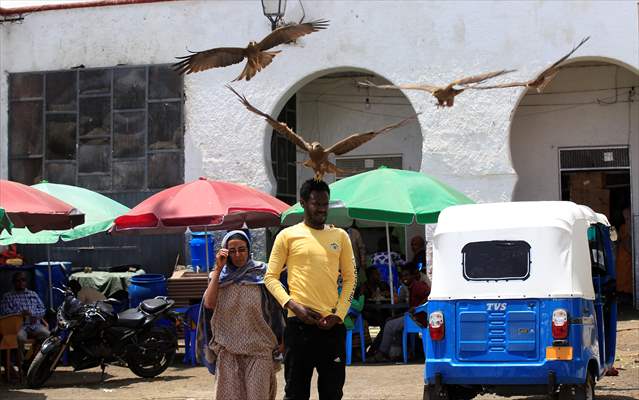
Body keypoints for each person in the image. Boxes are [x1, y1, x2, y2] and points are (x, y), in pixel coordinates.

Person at [265, 179, 356, 400]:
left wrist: (339, 315)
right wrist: (293, 306)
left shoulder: (340, 236)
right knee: (295, 394)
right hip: (298, 328)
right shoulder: (287, 236)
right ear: (303, 203)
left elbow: (351, 279)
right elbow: (270, 278)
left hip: (332, 328)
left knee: (332, 393)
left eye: (326, 204)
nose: (322, 209)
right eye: (316, 204)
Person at [201, 230, 285, 400]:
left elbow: (280, 306)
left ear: (249, 249)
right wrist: (218, 268)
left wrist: (283, 338)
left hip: (259, 349)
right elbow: (209, 304)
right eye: (232, 251)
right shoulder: (218, 278)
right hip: (228, 352)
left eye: (242, 249)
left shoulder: (263, 274)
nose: (238, 255)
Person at [370, 265, 430, 362]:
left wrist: (419, 307)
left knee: (389, 325)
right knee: (390, 320)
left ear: (412, 276)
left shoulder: (418, 286)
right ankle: (396, 353)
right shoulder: (410, 287)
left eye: (407, 275)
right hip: (413, 316)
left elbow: (430, 295)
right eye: (402, 276)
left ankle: (381, 353)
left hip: (419, 318)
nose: (404, 278)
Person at [0, 272, 50, 354]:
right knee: (21, 338)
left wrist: (33, 314)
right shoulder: (8, 296)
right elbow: (4, 313)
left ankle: (35, 359)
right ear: (13, 282)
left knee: (48, 336)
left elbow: (42, 309)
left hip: (34, 324)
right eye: (18, 281)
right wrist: (20, 314)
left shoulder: (33, 294)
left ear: (26, 282)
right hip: (18, 327)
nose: (21, 283)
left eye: (23, 280)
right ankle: (22, 362)